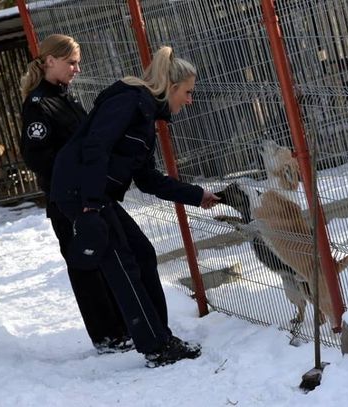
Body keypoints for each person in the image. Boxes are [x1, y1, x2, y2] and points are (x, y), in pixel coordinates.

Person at [49, 45, 220, 367]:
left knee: (141, 253)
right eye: (187, 92)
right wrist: (91, 205)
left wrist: (196, 195)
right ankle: (156, 347)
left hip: (94, 194)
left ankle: (160, 335)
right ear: (171, 88)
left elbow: (147, 178)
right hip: (82, 193)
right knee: (122, 263)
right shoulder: (130, 102)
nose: (189, 100)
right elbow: (95, 146)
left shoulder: (144, 116)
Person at [19, 34, 132, 354]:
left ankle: (121, 325)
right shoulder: (39, 104)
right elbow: (37, 157)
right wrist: (75, 181)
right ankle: (107, 335)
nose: (76, 69)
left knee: (103, 259)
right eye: (71, 62)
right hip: (67, 200)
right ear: (50, 61)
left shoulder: (64, 97)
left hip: (86, 195)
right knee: (85, 265)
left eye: (77, 62)